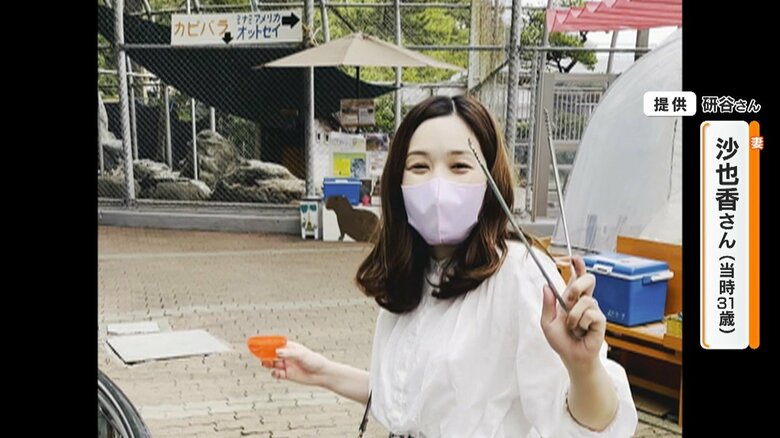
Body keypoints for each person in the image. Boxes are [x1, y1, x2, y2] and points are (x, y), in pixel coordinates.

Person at [262, 95, 638, 437]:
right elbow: (411, 403)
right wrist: (321, 371)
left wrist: (584, 368)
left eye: (459, 165)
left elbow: (587, 424)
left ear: (490, 180)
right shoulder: (413, 270)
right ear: (398, 181)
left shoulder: (521, 275)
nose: (438, 183)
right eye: (419, 166)